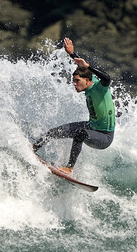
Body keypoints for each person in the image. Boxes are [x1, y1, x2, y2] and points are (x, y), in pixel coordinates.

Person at [32, 37, 115, 175]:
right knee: (55, 131)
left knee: (80, 133)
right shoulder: (89, 80)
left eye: (77, 81)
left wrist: (88, 66)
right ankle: (34, 147)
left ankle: (69, 168)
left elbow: (107, 78)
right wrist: (72, 54)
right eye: (73, 81)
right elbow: (82, 67)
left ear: (88, 80)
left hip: (104, 136)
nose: (74, 84)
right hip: (92, 126)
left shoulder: (100, 88)